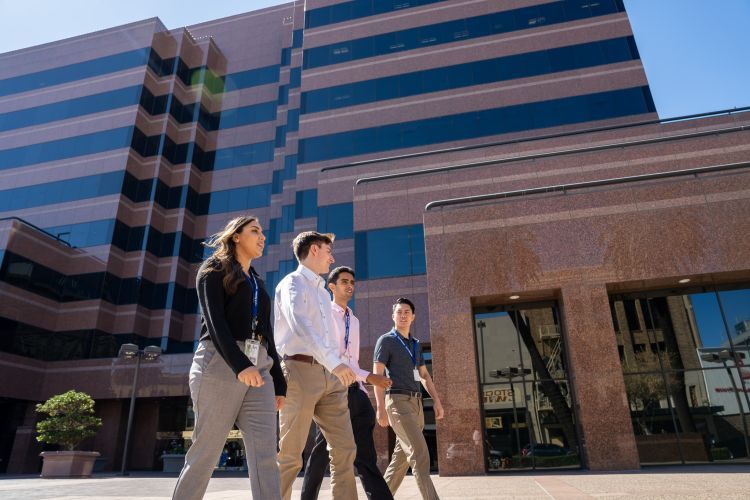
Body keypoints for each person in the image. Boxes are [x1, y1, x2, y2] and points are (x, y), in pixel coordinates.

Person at [173, 216, 285, 500]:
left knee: (266, 454)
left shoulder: (258, 283)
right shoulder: (213, 269)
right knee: (206, 451)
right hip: (220, 362)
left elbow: (267, 335)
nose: (262, 237)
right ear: (236, 236)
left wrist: (279, 382)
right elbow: (215, 323)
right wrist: (240, 365)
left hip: (258, 367)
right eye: (255, 231)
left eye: (263, 232)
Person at [274, 232, 359, 500]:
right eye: (328, 251)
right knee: (290, 455)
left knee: (345, 449)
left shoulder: (323, 293)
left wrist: (337, 365)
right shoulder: (292, 284)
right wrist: (335, 363)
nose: (332, 258)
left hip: (330, 376)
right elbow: (301, 325)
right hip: (299, 371)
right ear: (314, 250)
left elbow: (328, 338)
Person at [300, 266, 394, 500]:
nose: (350, 285)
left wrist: (363, 387)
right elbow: (333, 358)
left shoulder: (356, 320)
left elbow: (353, 358)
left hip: (358, 393)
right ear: (331, 287)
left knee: (366, 457)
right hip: (333, 392)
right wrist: (370, 377)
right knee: (321, 453)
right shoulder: (325, 316)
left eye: (352, 281)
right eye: (344, 281)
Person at [373, 298, 444, 500]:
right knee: (420, 453)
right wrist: (380, 407)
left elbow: (424, 376)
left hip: (416, 404)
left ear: (413, 317)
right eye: (399, 312)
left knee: (401, 459)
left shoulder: (415, 345)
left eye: (407, 312)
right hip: (397, 401)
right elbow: (377, 375)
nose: (403, 315)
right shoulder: (386, 340)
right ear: (393, 316)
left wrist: (436, 401)